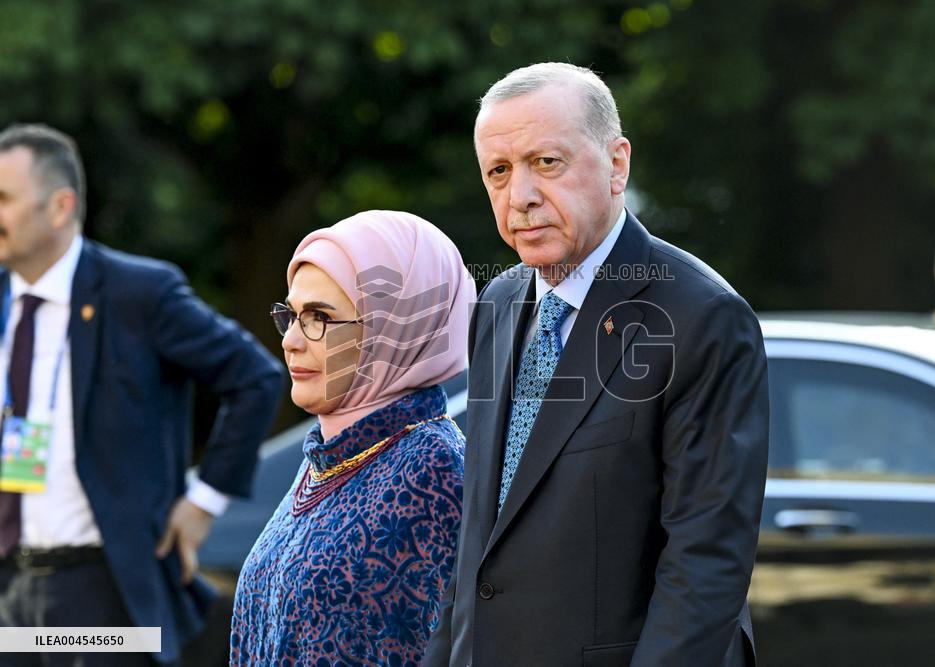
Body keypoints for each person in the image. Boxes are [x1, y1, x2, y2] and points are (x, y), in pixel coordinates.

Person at [423, 63, 770, 666]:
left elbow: (705, 566)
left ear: (617, 164)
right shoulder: (498, 304)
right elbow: (480, 540)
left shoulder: (701, 316)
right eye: (498, 172)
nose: (521, 195)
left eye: (546, 162)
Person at [0, 123, 284, 665]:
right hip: (10, 588)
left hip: (102, 592)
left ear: (60, 208)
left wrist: (203, 503)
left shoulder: (138, 293)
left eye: (4, 199)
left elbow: (256, 377)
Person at [230, 210, 474, 665]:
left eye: (320, 317)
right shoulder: (326, 458)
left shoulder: (432, 469)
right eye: (291, 315)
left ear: (396, 327)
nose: (291, 341)